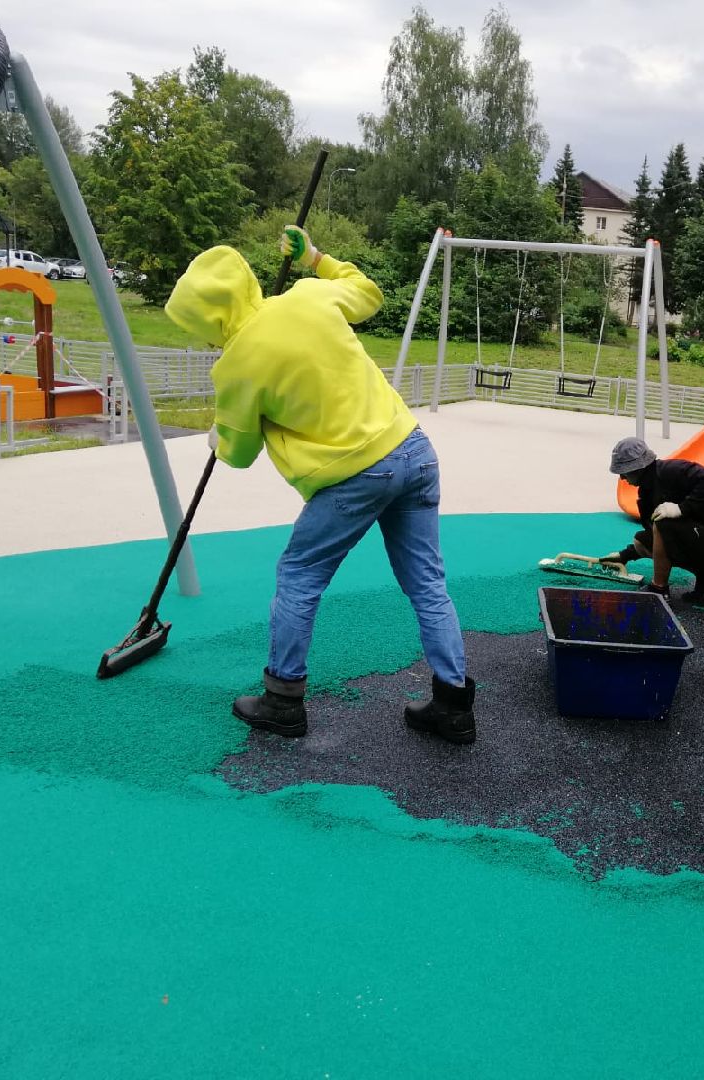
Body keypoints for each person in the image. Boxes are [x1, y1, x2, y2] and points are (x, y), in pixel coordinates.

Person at [163, 226, 475, 744]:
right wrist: (315, 257)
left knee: (299, 574)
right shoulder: (307, 294)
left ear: (210, 315)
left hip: (356, 475)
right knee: (426, 583)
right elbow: (368, 293)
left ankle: (282, 699)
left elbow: (238, 455)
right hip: (415, 450)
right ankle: (453, 704)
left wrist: (219, 434)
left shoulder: (237, 364)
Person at [604, 437, 704, 605]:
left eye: (624, 472)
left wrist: (681, 508)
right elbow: (657, 540)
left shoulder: (671, 470)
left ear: (638, 467)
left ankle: (659, 589)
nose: (622, 477)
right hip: (703, 540)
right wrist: (623, 556)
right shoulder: (646, 496)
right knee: (642, 540)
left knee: (663, 521)